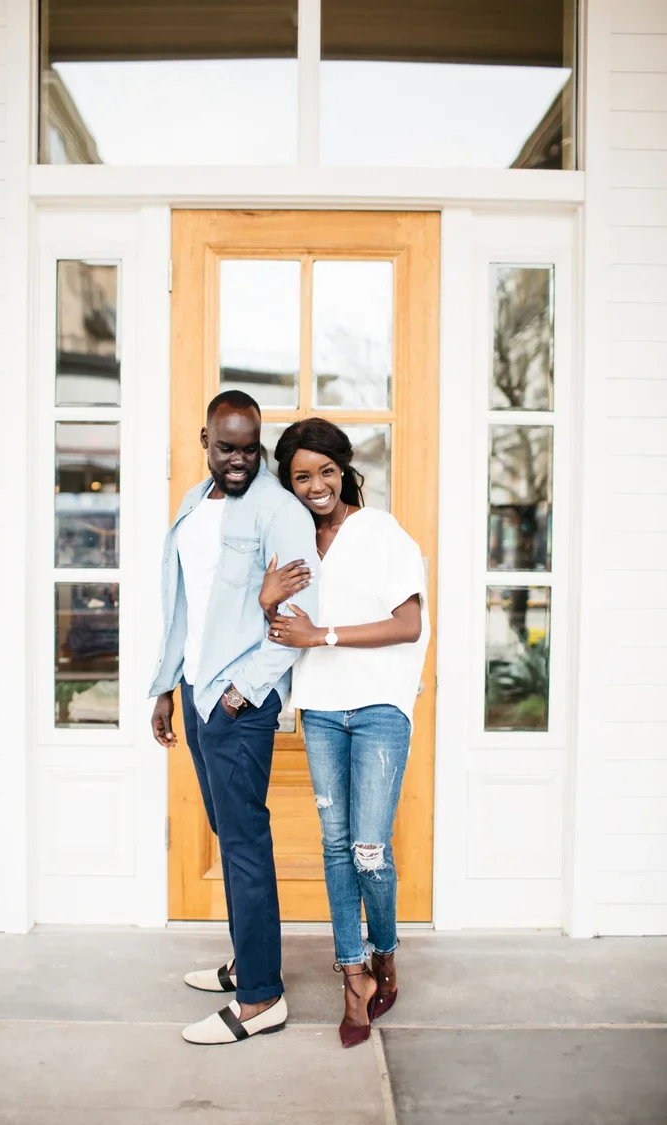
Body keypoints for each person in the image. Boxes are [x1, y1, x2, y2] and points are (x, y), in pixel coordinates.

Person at [149, 390, 317, 1045]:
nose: (240, 459)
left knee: (245, 844)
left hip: (237, 703)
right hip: (196, 692)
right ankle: (252, 960)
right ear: (206, 440)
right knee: (229, 832)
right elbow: (184, 605)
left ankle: (261, 997)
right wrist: (167, 685)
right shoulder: (197, 503)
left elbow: (298, 615)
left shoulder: (279, 510)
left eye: (250, 448)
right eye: (228, 448)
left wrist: (242, 692)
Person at [259, 418, 430, 1049]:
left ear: (343, 470)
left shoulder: (380, 531)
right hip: (322, 709)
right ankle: (353, 976)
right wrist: (263, 599)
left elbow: (407, 623)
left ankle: (385, 950)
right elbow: (278, 624)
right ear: (290, 482)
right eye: (301, 476)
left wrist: (321, 637)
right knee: (334, 845)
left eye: (325, 471)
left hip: (381, 706)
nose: (316, 486)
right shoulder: (294, 541)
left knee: (368, 849)